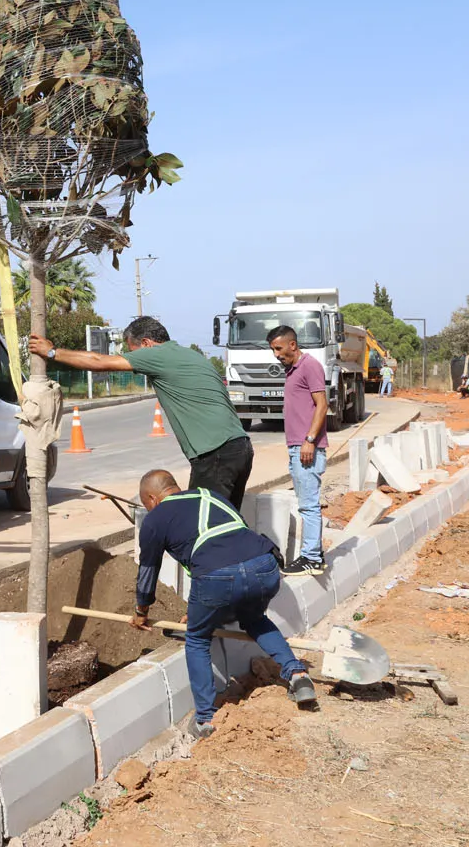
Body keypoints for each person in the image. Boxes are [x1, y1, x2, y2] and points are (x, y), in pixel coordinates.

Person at [129, 469, 316, 738]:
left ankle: (205, 718)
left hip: (217, 578)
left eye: (146, 504)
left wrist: (140, 611)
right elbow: (233, 545)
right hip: (264, 565)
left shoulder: (155, 518)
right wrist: (205, 609)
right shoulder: (211, 496)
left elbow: (148, 569)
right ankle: (297, 675)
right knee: (255, 619)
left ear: (151, 498)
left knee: (197, 638)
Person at [29, 316, 255, 511]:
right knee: (228, 523)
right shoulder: (191, 355)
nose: (132, 359)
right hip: (240, 447)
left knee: (203, 527)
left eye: (132, 352)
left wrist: (52, 352)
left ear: (146, 343)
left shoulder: (157, 354)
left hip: (215, 454)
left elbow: (99, 361)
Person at [268, 326, 327, 575]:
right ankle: (315, 554)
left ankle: (311, 558)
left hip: (306, 447)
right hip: (298, 447)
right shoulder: (293, 370)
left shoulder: (309, 365)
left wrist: (309, 440)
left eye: (279, 349)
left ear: (292, 344)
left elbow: (322, 405)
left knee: (309, 506)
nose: (276, 355)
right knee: (306, 503)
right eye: (273, 350)